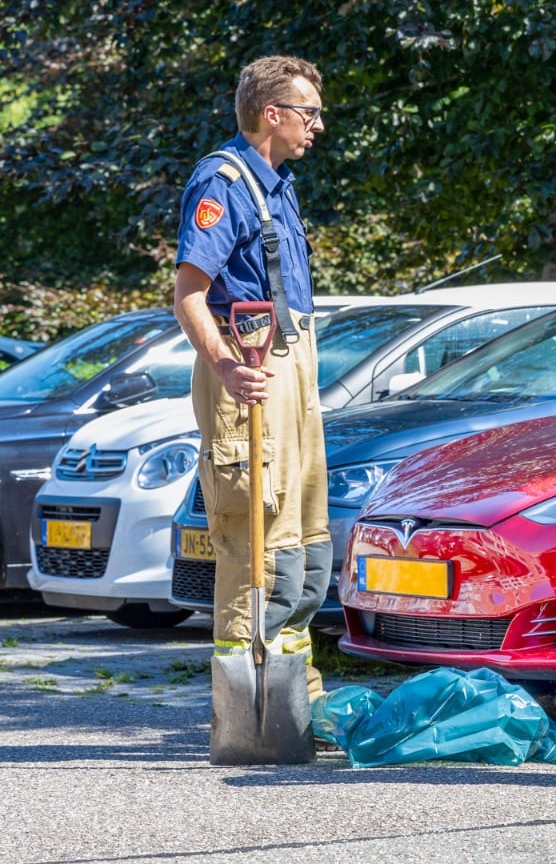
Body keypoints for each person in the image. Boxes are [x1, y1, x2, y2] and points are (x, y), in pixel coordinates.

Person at [173, 55, 331, 699]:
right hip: (250, 369)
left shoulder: (277, 184)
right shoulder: (224, 182)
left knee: (304, 537)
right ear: (272, 114)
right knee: (255, 535)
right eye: (309, 113)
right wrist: (225, 366)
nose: (317, 126)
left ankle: (297, 697)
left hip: (292, 365)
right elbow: (189, 293)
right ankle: (249, 701)